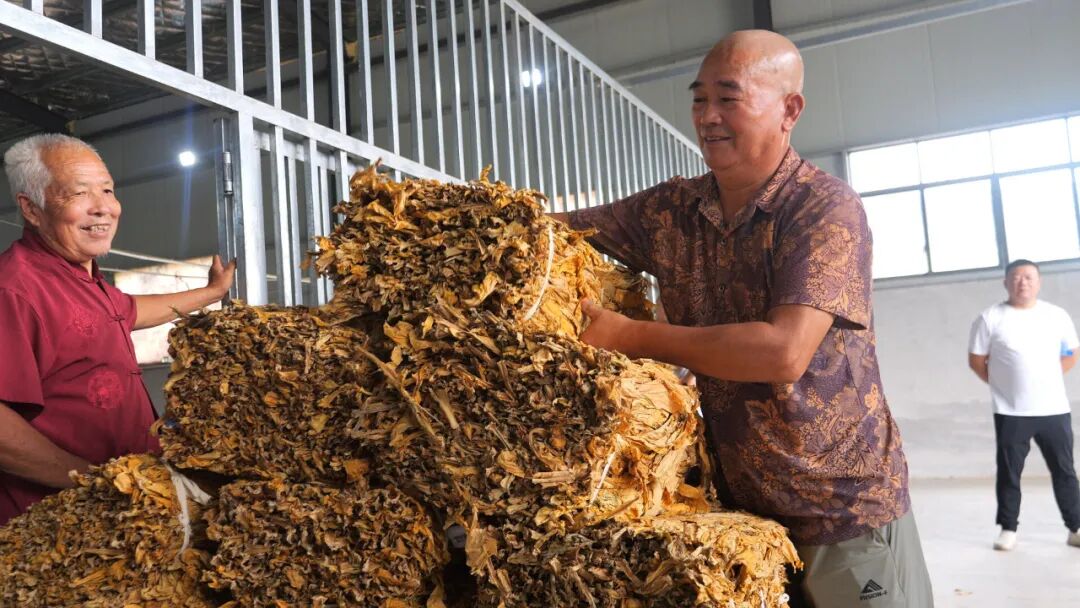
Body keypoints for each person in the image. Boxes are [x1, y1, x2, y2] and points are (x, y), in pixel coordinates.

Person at [551, 30, 932, 607]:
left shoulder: (823, 208)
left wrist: (629, 336)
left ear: (789, 110)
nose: (708, 116)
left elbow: (783, 352)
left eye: (729, 98)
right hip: (743, 516)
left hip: (840, 509)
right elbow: (553, 231)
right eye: (700, 99)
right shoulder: (672, 211)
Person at [0, 133, 236, 526]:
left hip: (120, 514)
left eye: (107, 190)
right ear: (31, 209)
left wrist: (210, 293)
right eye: (79, 193)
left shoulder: (80, 279)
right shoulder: (14, 289)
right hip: (53, 524)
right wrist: (88, 480)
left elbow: (129, 311)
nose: (103, 208)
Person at [968, 259, 1080, 551]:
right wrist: (1002, 385)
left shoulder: (1056, 316)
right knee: (1009, 472)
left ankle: (1076, 527)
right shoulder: (990, 318)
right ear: (1006, 282)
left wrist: (1047, 379)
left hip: (1054, 409)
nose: (1023, 282)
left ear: (1039, 282)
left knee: (1065, 470)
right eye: (1016, 277)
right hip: (1011, 411)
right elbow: (976, 360)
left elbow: (1071, 353)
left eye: (1029, 277)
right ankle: (1008, 529)